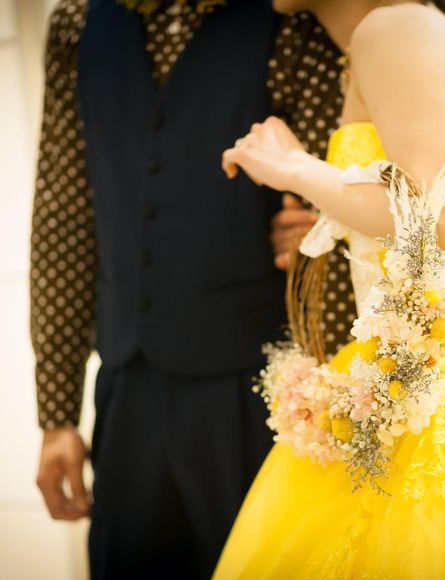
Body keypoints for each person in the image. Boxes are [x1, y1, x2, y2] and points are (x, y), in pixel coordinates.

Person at [215, 0, 445, 577]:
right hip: (434, 348)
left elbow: (443, 223)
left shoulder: (392, 29)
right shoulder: (386, 34)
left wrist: (294, 168)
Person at [30, 0, 354, 577]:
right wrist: (57, 414)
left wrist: (316, 228)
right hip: (128, 386)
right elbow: (65, 212)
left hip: (259, 383)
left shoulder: (292, 13)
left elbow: (345, 178)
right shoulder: (77, 23)